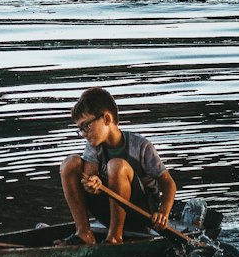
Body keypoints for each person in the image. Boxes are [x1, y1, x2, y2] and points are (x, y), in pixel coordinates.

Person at [60, 86, 176, 245]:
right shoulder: (94, 146)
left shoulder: (141, 146)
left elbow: (168, 183)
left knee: (116, 166)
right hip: (108, 210)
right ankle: (84, 233)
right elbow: (89, 174)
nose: (84, 134)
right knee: (70, 163)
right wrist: (91, 184)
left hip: (141, 214)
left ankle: (114, 237)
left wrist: (163, 212)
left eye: (86, 126)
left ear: (107, 119)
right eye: (80, 129)